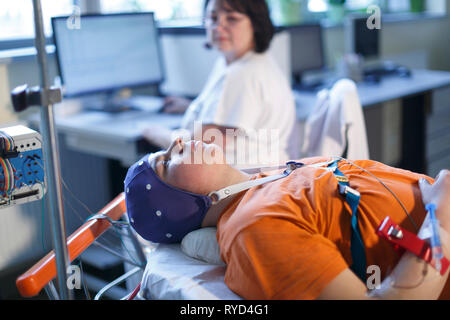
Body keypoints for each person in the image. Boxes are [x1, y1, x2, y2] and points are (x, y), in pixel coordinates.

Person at [124, 138, 450, 299]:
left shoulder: (272, 176)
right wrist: (440, 224)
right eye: (166, 162)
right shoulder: (254, 229)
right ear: (181, 205)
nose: (177, 141)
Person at [142, 0, 296, 167]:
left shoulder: (242, 74)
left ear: (256, 23)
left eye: (231, 18)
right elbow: (232, 119)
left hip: (241, 186)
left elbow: (199, 146)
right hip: (261, 179)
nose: (218, 26)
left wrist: (155, 132)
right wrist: (191, 107)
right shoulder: (246, 62)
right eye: (213, 18)